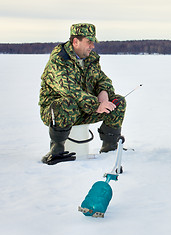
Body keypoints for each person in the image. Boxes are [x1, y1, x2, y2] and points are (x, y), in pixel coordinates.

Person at [39, 23, 126, 165]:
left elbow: (103, 79)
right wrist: (96, 105)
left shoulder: (91, 59)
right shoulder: (59, 60)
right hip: (58, 113)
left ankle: (110, 148)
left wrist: (104, 94)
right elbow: (70, 90)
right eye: (89, 42)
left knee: (118, 102)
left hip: (85, 109)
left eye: (93, 42)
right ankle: (56, 151)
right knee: (67, 103)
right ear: (75, 42)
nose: (92, 46)